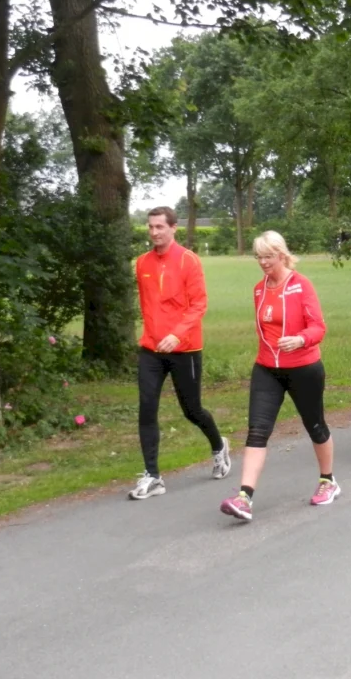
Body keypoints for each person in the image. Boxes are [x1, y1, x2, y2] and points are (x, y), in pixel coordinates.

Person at [220, 231, 338, 522]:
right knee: (257, 431)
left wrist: (300, 339)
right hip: (267, 369)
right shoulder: (259, 289)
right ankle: (244, 497)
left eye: (268, 257)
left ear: (282, 255)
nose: (263, 262)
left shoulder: (301, 285)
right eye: (259, 257)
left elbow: (318, 327)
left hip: (303, 367)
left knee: (315, 425)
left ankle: (328, 481)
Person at [130, 206, 231, 499]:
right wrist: (156, 336)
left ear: (173, 228)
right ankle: (153, 476)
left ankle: (218, 445)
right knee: (147, 408)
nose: (154, 232)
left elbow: (199, 304)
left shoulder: (189, 261)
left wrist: (176, 335)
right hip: (151, 349)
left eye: (159, 227)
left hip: (184, 348)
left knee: (192, 410)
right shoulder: (142, 263)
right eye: (150, 227)